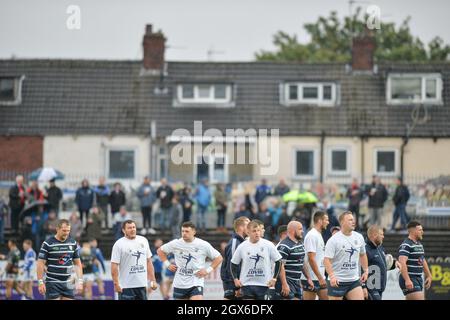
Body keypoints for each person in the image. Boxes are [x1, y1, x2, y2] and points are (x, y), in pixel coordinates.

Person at [157, 221, 223, 300]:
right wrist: (167, 264)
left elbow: (219, 258)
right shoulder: (176, 243)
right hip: (180, 283)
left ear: (194, 232)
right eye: (182, 231)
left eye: (187, 231)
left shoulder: (203, 245)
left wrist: (207, 270)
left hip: (196, 281)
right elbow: (160, 251)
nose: (184, 233)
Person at [230, 220, 282, 300]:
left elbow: (278, 261)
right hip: (247, 285)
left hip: (264, 284)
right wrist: (235, 279)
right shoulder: (242, 246)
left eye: (258, 230)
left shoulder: (268, 244)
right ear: (248, 232)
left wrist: (274, 278)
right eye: (254, 231)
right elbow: (233, 263)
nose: (257, 233)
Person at [323, 211, 369, 300]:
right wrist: (332, 276)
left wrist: (366, 270)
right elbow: (326, 260)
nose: (353, 222)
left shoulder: (359, 237)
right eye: (350, 220)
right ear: (342, 222)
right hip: (337, 281)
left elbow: (363, 255)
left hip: (353, 281)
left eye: (353, 219)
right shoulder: (333, 240)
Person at [36, 219, 83, 300]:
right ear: (57, 229)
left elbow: (78, 264)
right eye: (64, 230)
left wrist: (80, 281)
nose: (66, 233)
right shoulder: (47, 243)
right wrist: (40, 282)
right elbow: (40, 264)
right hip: (52, 282)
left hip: (69, 282)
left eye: (68, 231)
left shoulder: (73, 243)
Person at [111, 220, 158, 300]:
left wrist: (153, 280)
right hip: (126, 286)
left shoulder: (143, 240)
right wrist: (116, 283)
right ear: (123, 230)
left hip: (141, 285)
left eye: (134, 227)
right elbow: (114, 266)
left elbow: (149, 262)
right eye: (129, 228)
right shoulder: (118, 244)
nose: (132, 229)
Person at [363, 225, 400, 300]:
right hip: (371, 288)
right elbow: (360, 269)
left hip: (379, 288)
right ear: (374, 235)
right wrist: (363, 286)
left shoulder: (380, 248)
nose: (383, 236)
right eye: (381, 234)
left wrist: (394, 264)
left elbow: (382, 265)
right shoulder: (365, 249)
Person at [274, 221, 309, 300]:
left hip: (296, 282)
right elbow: (280, 266)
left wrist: (308, 278)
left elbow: (301, 262)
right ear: (293, 230)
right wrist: (284, 284)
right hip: (287, 281)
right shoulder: (284, 246)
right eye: (300, 229)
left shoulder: (300, 243)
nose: (302, 231)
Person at [398, 221, 432, 300]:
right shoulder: (406, 245)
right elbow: (402, 263)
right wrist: (407, 280)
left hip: (418, 278)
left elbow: (422, 260)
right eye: (420, 230)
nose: (422, 232)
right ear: (413, 231)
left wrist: (429, 275)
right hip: (410, 278)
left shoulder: (419, 244)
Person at [302, 211, 329, 300]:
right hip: (313, 278)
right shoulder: (312, 235)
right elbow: (311, 259)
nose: (328, 222)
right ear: (320, 221)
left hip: (318, 277)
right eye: (326, 220)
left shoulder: (318, 234)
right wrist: (320, 277)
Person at [221, 217, 250, 300]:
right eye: (248, 225)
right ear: (241, 227)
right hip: (233, 283)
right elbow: (232, 265)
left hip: (237, 282)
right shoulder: (235, 243)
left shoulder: (242, 242)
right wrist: (236, 285)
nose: (250, 228)